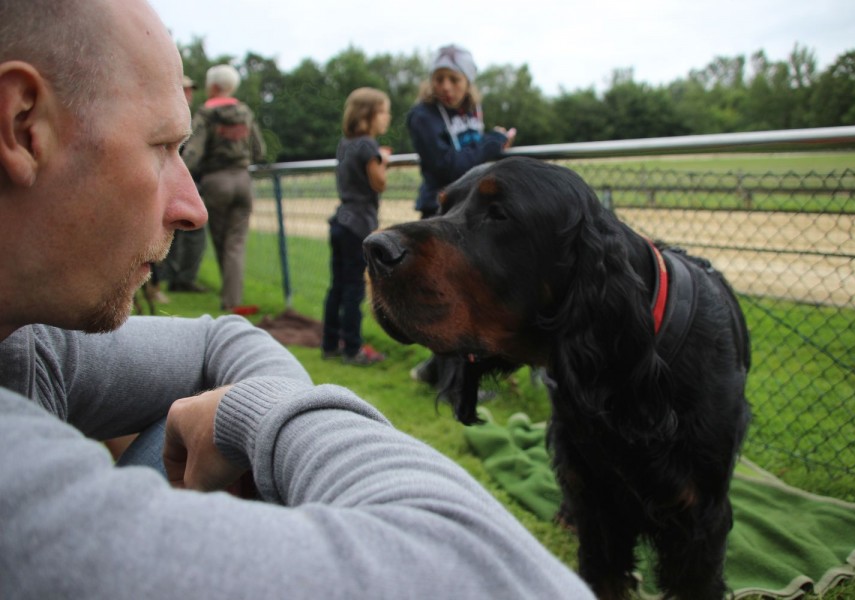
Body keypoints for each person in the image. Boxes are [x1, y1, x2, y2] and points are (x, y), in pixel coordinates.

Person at [0, 1, 593, 598]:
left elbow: (223, 339)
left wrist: (243, 411)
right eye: (161, 147)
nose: (192, 208)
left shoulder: (27, 342)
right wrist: (265, 420)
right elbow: (487, 573)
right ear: (23, 124)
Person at [406, 44, 516, 385]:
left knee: (466, 294)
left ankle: (435, 371)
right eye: (439, 78)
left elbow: (473, 162)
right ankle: (455, 382)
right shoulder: (422, 116)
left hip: (469, 213)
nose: (446, 87)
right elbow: (447, 167)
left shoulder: (472, 110)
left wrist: (491, 145)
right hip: (439, 213)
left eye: (454, 79)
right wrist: (491, 144)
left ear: (468, 82)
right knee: (448, 296)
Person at [181, 63, 265, 310]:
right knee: (236, 243)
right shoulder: (245, 112)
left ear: (214, 86)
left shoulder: (206, 114)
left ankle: (230, 301)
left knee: (221, 241)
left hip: (216, 182)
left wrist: (181, 173)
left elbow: (194, 151)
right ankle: (232, 299)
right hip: (243, 181)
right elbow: (259, 149)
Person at [322, 87, 392, 366]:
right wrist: (383, 160)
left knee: (337, 287)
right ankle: (353, 349)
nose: (387, 118)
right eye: (383, 112)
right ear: (368, 115)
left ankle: (330, 344)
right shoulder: (368, 145)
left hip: (341, 221)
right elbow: (379, 183)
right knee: (354, 289)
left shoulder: (345, 143)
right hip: (358, 225)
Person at [159, 75, 208, 294]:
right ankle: (167, 280)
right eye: (185, 89)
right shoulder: (170, 116)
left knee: (181, 233)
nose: (189, 94)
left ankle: (175, 279)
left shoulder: (190, 116)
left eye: (190, 90)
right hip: (170, 182)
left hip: (182, 182)